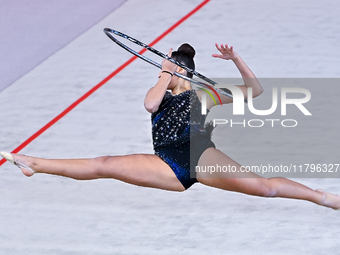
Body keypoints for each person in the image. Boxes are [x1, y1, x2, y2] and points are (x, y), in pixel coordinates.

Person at [1, 43, 340, 210]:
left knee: (265, 189)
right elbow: (150, 103)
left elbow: (255, 91)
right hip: (167, 162)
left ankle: (323, 197)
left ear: (182, 73)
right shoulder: (160, 94)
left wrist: (235, 60)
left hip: (199, 153)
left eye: (166, 72)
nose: (159, 77)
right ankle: (34, 164)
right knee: (104, 165)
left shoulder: (204, 95)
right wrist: (165, 74)